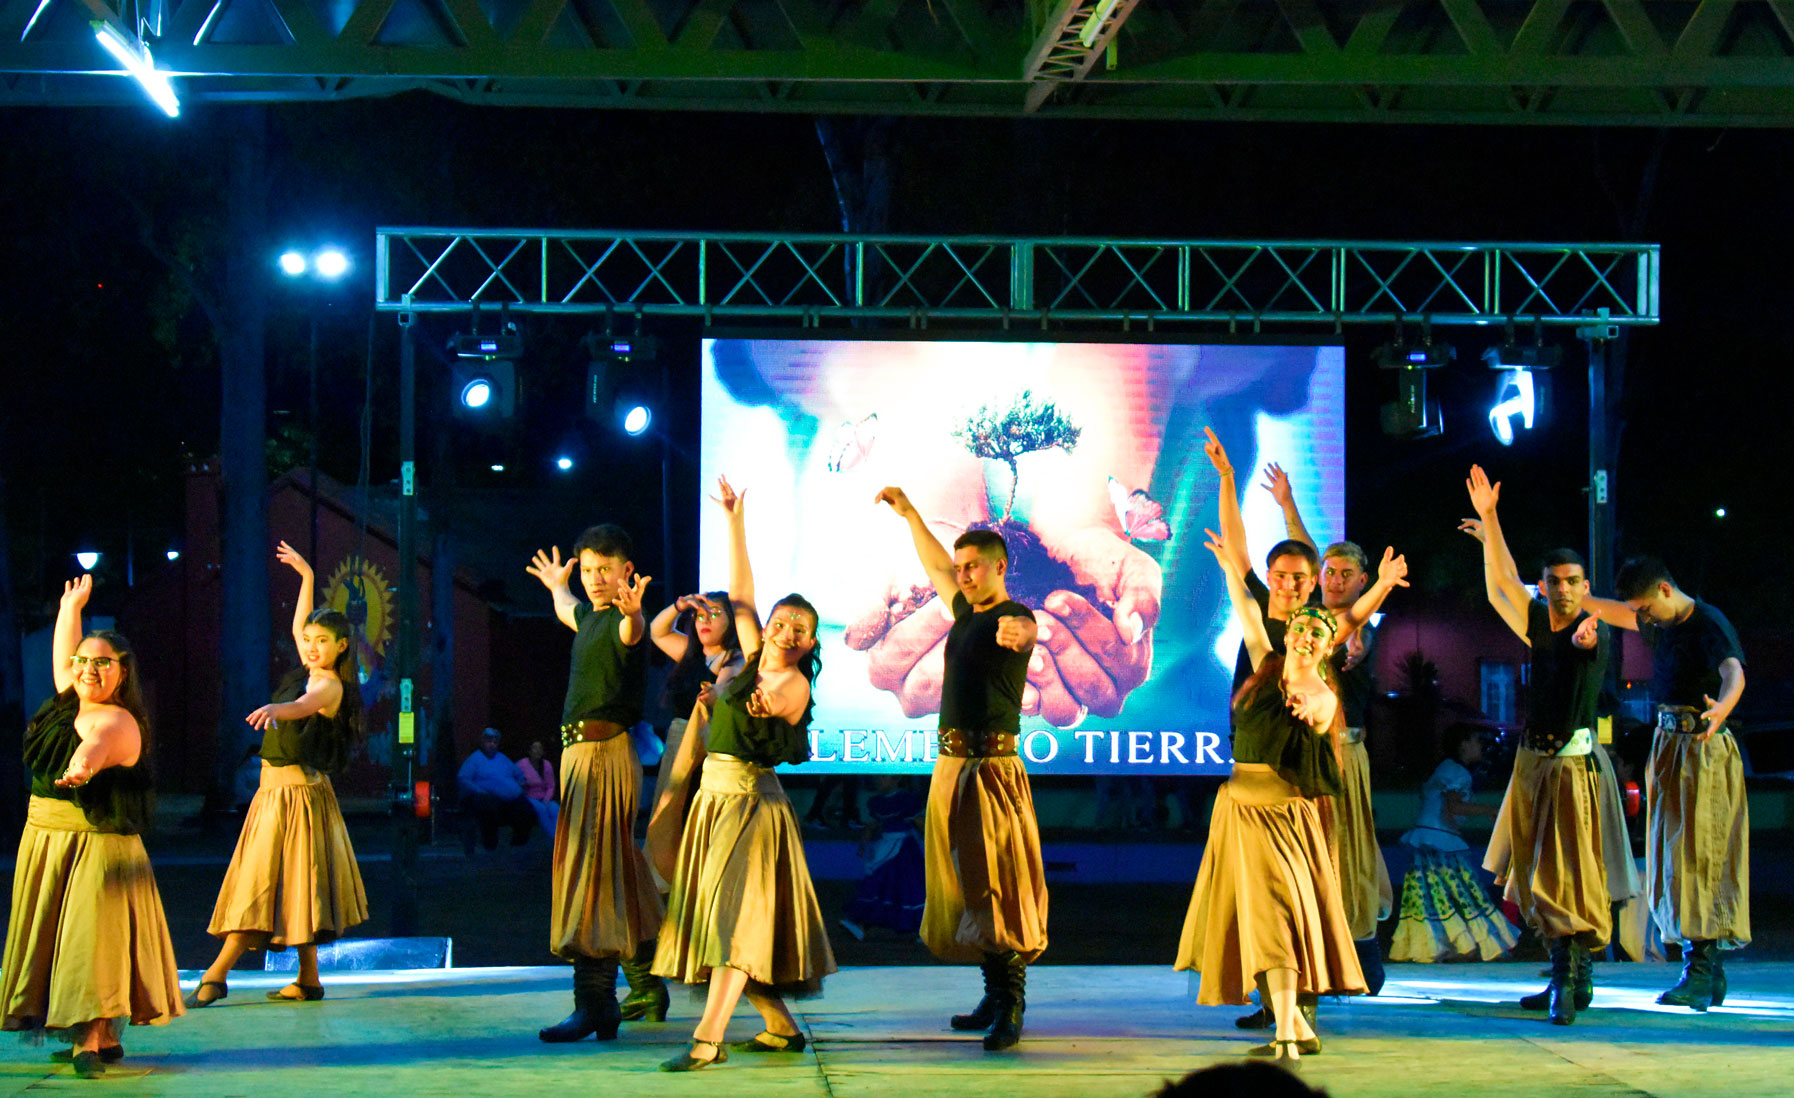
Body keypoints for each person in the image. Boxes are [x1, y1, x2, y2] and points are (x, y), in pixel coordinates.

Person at [649, 475, 836, 1071]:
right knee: (718, 920)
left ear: (810, 642)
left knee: (731, 923)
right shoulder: (750, 656)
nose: (785, 632)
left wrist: (758, 704)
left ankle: (708, 1039)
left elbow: (777, 710)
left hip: (751, 808)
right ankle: (780, 1026)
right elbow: (741, 595)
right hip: (714, 801)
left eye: (799, 630)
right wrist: (734, 521)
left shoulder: (792, 683)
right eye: (781, 622)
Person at [1176, 525, 1371, 1064]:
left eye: (1317, 633)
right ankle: (1294, 1026)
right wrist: (1228, 565)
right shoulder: (1265, 663)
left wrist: (1311, 710)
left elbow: (1322, 713)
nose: (1305, 636)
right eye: (1300, 628)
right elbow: (1245, 605)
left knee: (1274, 918)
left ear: (1328, 644)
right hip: (1236, 811)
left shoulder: (1321, 691)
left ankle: (1289, 1029)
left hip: (1279, 818)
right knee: (1253, 919)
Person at [875, 484, 1046, 1052]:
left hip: (990, 771)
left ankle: (1012, 1003)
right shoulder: (966, 612)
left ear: (1000, 567)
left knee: (997, 882)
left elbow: (1026, 631)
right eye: (961, 567)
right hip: (952, 766)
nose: (964, 575)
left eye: (974, 566)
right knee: (970, 882)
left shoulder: (1012, 616)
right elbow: (935, 565)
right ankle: (994, 995)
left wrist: (1027, 634)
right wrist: (910, 515)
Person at [0, 576, 183, 1077]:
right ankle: (102, 1038)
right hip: (49, 841)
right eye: (84, 661)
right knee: (66, 941)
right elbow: (65, 657)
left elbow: (94, 746)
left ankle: (89, 1041)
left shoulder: (117, 721)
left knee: (90, 943)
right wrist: (71, 607)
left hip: (96, 849)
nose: (87, 670)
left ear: (123, 673)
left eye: (102, 664)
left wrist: (82, 768)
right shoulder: (70, 698)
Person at [189, 542, 368, 1008]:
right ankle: (308, 979)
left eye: (322, 640)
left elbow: (303, 706)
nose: (311, 646)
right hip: (275, 794)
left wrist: (275, 709)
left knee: (261, 884)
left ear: (341, 646)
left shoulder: (328, 684)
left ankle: (216, 974)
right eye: (308, 640)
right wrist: (307, 577)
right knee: (296, 886)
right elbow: (298, 625)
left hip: (296, 796)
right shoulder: (308, 667)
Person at [1465, 468, 1610, 1025]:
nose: (1564, 589)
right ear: (1545, 585)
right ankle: (1565, 974)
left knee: (1568, 871)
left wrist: (1586, 639)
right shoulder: (1537, 622)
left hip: (1571, 767)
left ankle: (1569, 978)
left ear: (1584, 585)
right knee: (1534, 871)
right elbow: (1501, 582)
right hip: (1533, 762)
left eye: (1573, 581)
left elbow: (1585, 644)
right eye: (1555, 581)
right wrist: (1491, 520)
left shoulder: (1592, 629)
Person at [1581, 555, 1747, 1011]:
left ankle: (1701, 971)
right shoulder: (1662, 619)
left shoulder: (1707, 621)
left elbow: (1733, 671)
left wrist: (1723, 707)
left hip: (1702, 746)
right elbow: (1613, 610)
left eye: (1647, 609)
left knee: (1700, 854)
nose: (1644, 620)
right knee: (1673, 857)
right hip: (1670, 747)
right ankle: (1708, 971)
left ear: (1666, 590)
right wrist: (1571, 597)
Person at [526, 524, 667, 1042]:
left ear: (626, 571)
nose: (594, 579)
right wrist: (557, 586)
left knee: (592, 874)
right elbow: (569, 609)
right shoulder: (589, 617)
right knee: (617, 873)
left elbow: (633, 630)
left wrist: (635, 613)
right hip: (582, 756)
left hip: (603, 756)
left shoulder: (624, 621)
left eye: (604, 569)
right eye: (588, 570)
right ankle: (646, 985)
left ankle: (595, 1003)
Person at [1388, 724, 1519, 962]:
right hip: (1439, 841)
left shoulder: (1447, 768)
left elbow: (1448, 808)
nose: (1481, 746)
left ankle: (1442, 945)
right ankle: (1472, 944)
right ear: (1463, 744)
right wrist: (1492, 810)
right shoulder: (1456, 772)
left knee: (1430, 895)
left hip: (1428, 839)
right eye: (1476, 741)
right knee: (1463, 891)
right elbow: (1454, 807)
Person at [649, 591, 745, 812]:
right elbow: (657, 631)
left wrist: (717, 691)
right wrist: (679, 606)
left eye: (715, 614)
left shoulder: (736, 659)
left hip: (709, 753)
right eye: (700, 616)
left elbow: (721, 692)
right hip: (678, 750)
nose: (706, 620)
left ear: (732, 620)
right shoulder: (691, 653)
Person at [839, 774, 927, 939]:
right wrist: (864, 843)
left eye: (883, 776)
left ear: (896, 778)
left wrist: (933, 841)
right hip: (883, 849)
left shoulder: (905, 800)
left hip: (905, 851)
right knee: (878, 885)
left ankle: (923, 930)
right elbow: (872, 825)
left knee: (909, 889)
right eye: (878, 776)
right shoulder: (877, 802)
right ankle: (861, 925)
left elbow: (919, 822)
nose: (878, 779)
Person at [457, 728, 535, 850]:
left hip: (511, 798)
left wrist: (519, 786)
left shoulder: (502, 758)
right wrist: (479, 791)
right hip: (487, 798)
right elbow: (463, 779)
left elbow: (519, 774)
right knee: (488, 810)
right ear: (483, 742)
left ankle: (518, 846)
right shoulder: (474, 759)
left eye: (495, 742)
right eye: (489, 742)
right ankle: (490, 847)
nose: (492, 745)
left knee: (527, 809)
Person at [516, 739, 559, 835]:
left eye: (540, 748)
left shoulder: (546, 765)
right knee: (541, 810)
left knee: (555, 808)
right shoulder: (522, 764)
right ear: (529, 751)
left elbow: (551, 786)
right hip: (529, 798)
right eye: (535, 748)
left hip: (544, 797)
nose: (538, 751)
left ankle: (559, 835)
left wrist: (546, 800)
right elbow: (516, 780)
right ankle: (552, 835)